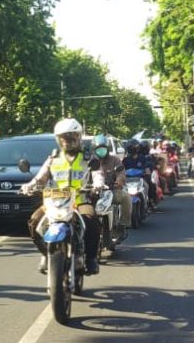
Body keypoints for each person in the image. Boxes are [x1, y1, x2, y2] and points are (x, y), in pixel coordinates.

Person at [22, 118, 101, 276]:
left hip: (79, 201)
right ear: (58, 140)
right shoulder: (53, 158)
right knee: (34, 221)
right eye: (64, 138)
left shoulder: (88, 158)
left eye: (72, 137)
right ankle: (46, 254)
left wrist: (98, 184)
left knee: (92, 221)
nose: (68, 141)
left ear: (79, 137)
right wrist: (29, 185)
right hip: (54, 202)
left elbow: (98, 174)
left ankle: (91, 259)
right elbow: (40, 177)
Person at [91, 134, 131, 235]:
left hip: (110, 191)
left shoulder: (115, 159)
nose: (101, 151)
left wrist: (119, 180)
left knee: (126, 197)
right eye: (98, 149)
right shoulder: (89, 160)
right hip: (92, 193)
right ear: (94, 149)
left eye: (103, 148)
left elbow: (121, 172)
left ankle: (122, 225)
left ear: (107, 149)